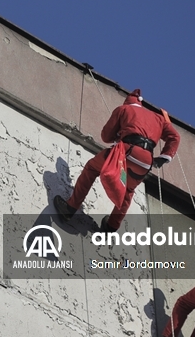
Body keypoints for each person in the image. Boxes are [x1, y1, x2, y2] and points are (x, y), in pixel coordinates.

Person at [54, 88, 180, 232]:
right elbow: (175, 137)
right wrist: (163, 158)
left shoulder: (124, 109)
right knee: (128, 191)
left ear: (128, 101)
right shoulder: (159, 119)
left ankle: (70, 208)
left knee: (92, 168)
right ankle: (112, 225)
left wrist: (118, 136)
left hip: (127, 152)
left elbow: (105, 137)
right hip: (145, 162)